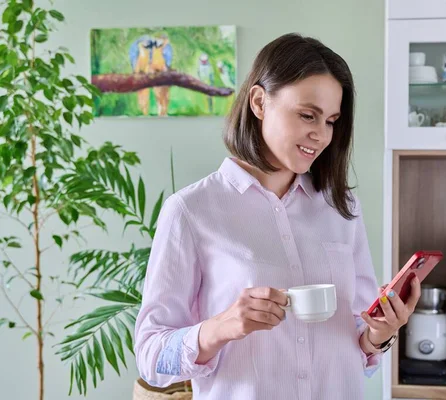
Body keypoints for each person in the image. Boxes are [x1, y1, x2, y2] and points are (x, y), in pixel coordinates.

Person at [134, 32, 422, 400]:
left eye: (331, 121)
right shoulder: (191, 211)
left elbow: (356, 332)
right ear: (259, 101)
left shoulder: (341, 207)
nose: (320, 135)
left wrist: (380, 334)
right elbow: (151, 357)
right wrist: (221, 327)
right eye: (308, 115)